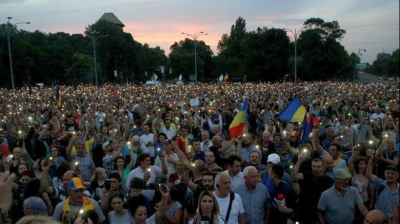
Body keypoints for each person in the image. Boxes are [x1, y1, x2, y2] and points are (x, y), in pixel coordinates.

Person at [291, 157, 334, 223]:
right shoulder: (308, 175)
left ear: (323, 167)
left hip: (320, 211)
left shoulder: (329, 181)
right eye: (313, 166)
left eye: (318, 167)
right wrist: (299, 162)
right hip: (305, 210)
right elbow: (294, 175)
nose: (315, 169)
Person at [366, 149, 399, 220]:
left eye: (393, 173)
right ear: (384, 174)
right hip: (377, 220)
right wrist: (370, 159)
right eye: (387, 173)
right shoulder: (380, 184)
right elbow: (368, 174)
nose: (390, 175)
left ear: (397, 176)